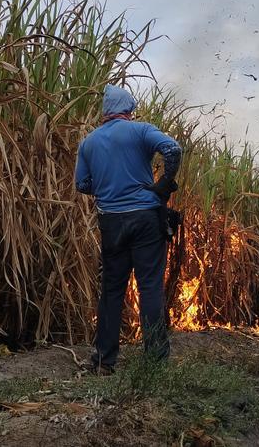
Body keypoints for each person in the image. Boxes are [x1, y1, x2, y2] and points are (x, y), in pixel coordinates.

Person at [75, 84, 182, 373]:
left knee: (111, 290)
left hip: (111, 222)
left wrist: (108, 187)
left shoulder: (88, 143)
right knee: (149, 287)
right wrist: (161, 184)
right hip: (146, 218)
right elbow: (173, 150)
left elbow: (82, 185)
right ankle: (155, 363)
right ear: (129, 111)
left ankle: (104, 361)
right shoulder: (140, 130)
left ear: (105, 113)